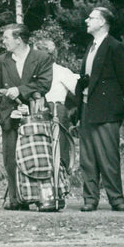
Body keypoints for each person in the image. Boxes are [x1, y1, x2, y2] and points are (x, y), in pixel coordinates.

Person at [0, 24, 53, 211]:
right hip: (9, 115)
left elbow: (44, 84)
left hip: (33, 115)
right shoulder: (2, 60)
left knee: (35, 157)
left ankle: (40, 197)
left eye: (6, 38)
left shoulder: (41, 58)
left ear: (19, 39)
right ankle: (16, 199)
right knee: (10, 158)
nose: (3, 41)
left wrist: (19, 90)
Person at [75, 8, 124, 212]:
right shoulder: (90, 47)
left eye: (91, 18)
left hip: (107, 111)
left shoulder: (115, 47)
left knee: (109, 156)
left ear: (102, 22)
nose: (86, 20)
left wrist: (107, 101)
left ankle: (116, 199)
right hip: (86, 108)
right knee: (87, 157)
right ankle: (90, 199)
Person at [33, 37, 79, 207]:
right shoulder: (32, 72)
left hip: (57, 112)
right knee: (40, 152)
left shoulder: (61, 71)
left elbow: (78, 91)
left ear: (47, 54)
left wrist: (73, 113)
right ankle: (42, 193)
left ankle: (60, 190)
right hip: (37, 113)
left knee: (59, 151)